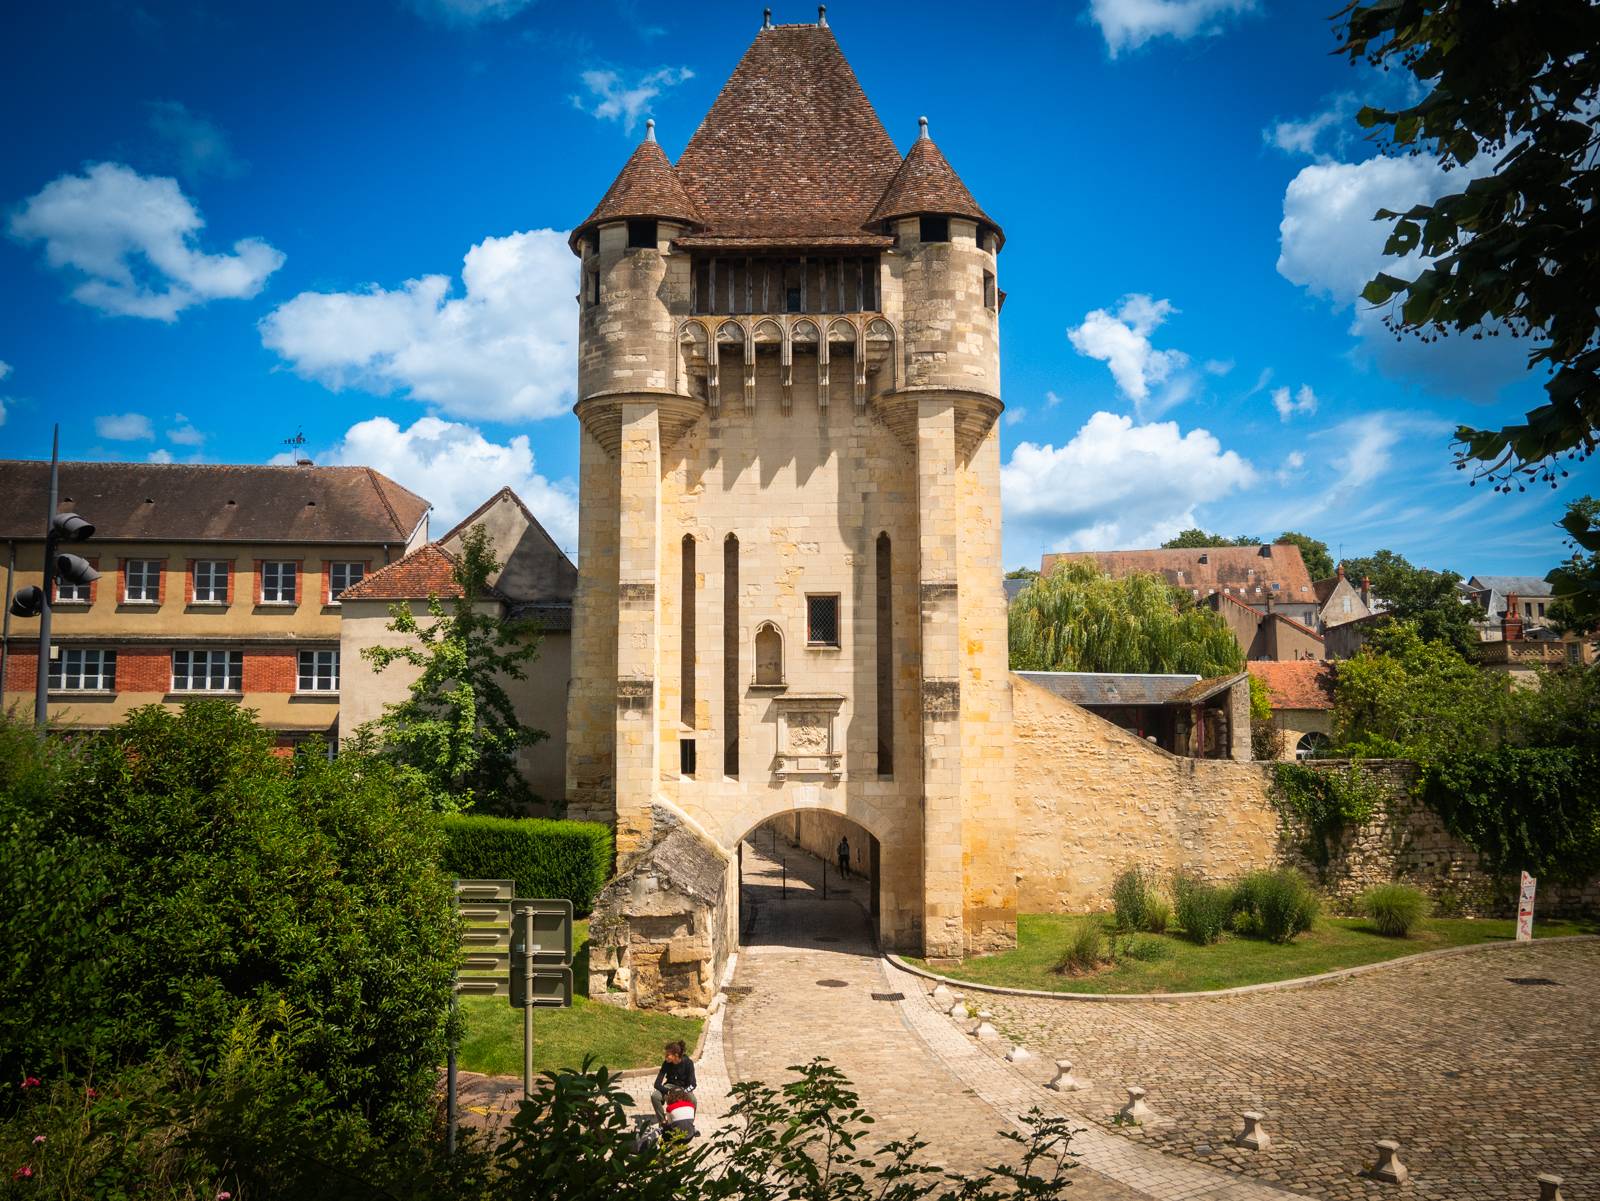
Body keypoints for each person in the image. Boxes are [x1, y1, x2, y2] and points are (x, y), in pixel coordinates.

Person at [651, 1039, 696, 1125]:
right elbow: (657, 1084)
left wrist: (682, 1093)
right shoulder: (666, 1063)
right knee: (655, 1096)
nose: (665, 1057)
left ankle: (690, 1124)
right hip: (669, 1087)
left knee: (693, 1100)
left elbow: (693, 1084)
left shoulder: (688, 1063)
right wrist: (668, 1091)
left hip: (683, 1089)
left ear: (676, 1055)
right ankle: (663, 1122)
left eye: (668, 1055)